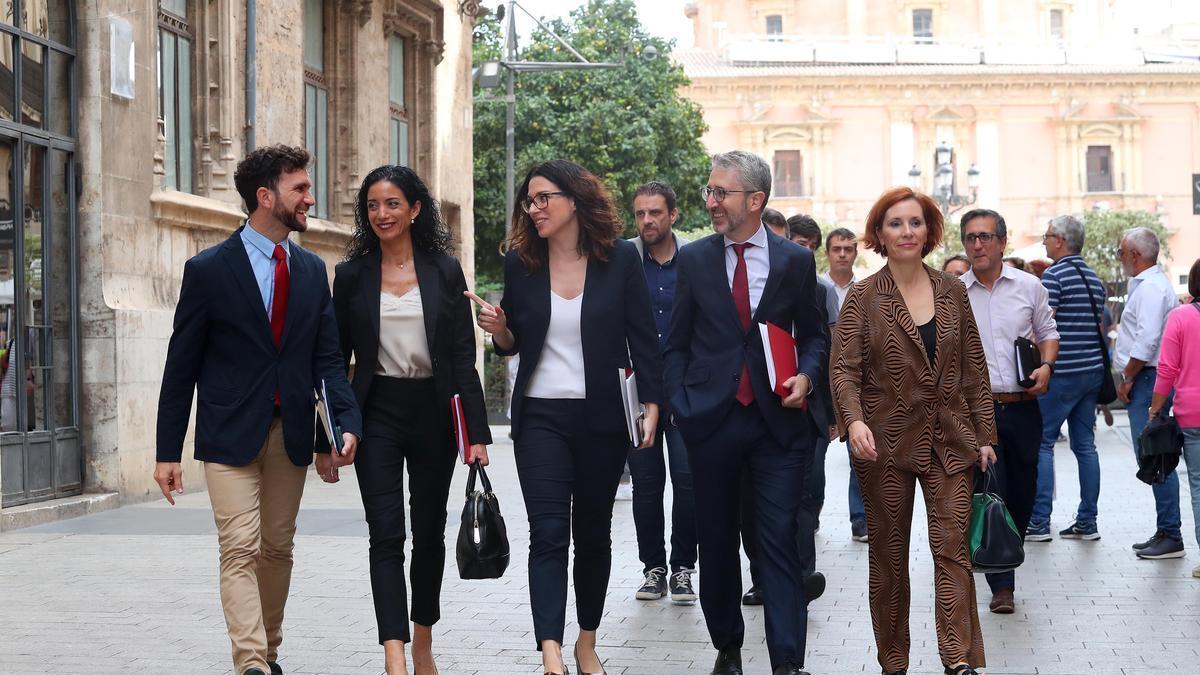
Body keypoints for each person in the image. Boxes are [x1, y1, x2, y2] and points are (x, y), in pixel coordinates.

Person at [154, 145, 362, 675]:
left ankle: (268, 649)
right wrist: (166, 452)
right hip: (227, 433)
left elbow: (328, 361)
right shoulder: (207, 270)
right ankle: (249, 663)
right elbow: (181, 366)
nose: (310, 198)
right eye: (300, 189)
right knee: (239, 547)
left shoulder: (313, 271)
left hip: (290, 433)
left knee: (277, 548)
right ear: (265, 197)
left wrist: (340, 429)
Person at [473, 159, 661, 675]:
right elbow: (511, 345)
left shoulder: (621, 259)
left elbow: (644, 337)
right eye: (528, 202)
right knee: (549, 532)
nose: (533, 209)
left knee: (594, 532)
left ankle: (586, 641)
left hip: (603, 417)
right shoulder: (521, 262)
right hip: (540, 418)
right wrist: (499, 329)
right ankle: (551, 651)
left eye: (542, 198)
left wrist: (653, 407)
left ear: (574, 200)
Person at [326, 165, 492, 675]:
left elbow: (463, 355)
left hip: (434, 413)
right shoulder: (351, 276)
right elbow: (334, 360)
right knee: (385, 534)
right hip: (376, 410)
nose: (382, 214)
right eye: (373, 205)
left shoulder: (444, 270)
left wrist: (477, 435)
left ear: (415, 209)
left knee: (429, 533)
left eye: (393, 203)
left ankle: (422, 640)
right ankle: (394, 654)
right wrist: (330, 432)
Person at [665, 150, 826, 675]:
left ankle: (787, 662)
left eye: (721, 193)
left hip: (776, 423)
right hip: (710, 421)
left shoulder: (795, 261)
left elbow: (816, 337)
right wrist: (680, 404)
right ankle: (728, 648)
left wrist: (807, 375)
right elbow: (677, 343)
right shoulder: (693, 259)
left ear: (755, 200)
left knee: (776, 540)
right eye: (709, 192)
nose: (711, 201)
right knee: (715, 539)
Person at [830, 186, 996, 675]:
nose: (907, 231)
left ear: (929, 231)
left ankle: (957, 658)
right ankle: (894, 662)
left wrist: (985, 434)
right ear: (880, 233)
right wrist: (854, 419)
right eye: (896, 223)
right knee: (888, 559)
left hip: (951, 439)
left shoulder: (951, 292)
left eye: (916, 223)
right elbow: (844, 369)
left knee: (952, 552)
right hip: (885, 442)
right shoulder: (863, 295)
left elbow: (973, 366)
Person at [959, 208, 1059, 614]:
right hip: (975, 411)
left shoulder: (1029, 287)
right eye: (970, 238)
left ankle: (1003, 555)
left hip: (1022, 408)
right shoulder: (953, 292)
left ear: (1002, 241)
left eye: (985, 237)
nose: (977, 245)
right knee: (986, 491)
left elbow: (1048, 332)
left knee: (1022, 492)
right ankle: (1001, 582)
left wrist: (1047, 366)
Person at [626, 180, 698, 605]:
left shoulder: (694, 260)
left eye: (655, 212)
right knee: (646, 484)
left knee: (688, 481)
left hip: (686, 389)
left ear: (672, 214)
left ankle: (684, 568)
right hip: (637, 390)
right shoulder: (624, 260)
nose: (647, 221)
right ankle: (652, 568)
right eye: (640, 214)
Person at [1027, 215, 1107, 542]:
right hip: (1092, 371)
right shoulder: (1094, 278)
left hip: (1062, 373)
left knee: (1042, 443)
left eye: (1047, 236)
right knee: (1085, 446)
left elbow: (1046, 327)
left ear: (1060, 240)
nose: (1044, 241)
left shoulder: (1054, 276)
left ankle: (1039, 521)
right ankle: (1088, 521)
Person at [1114, 227, 1182, 560]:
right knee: (1153, 454)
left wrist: (1127, 376)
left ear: (1135, 255)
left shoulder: (1152, 289)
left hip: (1147, 378)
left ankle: (1171, 533)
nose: (1120, 258)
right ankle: (1166, 529)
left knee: (1157, 456)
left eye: (1121, 253)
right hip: (1146, 377)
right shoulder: (1145, 285)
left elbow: (1147, 340)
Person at [1150, 258, 1200, 578]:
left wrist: (1155, 409)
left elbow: (1167, 369)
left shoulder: (1181, 318)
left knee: (1198, 483)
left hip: (1193, 414)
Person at [821, 226, 866, 542]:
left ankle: (860, 518)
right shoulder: (813, 286)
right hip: (818, 382)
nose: (842, 254)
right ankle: (809, 513)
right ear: (827, 252)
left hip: (856, 383)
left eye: (848, 249)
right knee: (810, 457)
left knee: (859, 454)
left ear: (855, 253)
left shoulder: (865, 290)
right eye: (836, 249)